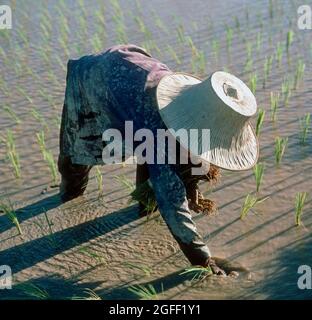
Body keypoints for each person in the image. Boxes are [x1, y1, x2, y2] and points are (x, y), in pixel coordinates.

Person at [58, 44, 259, 275]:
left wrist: (190, 187)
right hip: (92, 79)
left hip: (130, 70)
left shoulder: (193, 105)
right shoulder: (159, 125)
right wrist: (202, 259)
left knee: (157, 151)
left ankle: (145, 206)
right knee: (77, 155)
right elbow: (172, 201)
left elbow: (184, 158)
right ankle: (69, 200)